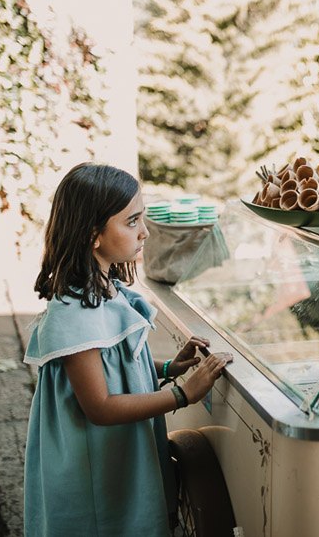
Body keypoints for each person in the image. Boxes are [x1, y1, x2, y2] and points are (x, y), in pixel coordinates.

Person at [23, 163, 232, 537]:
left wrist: (167, 366)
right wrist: (182, 394)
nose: (145, 232)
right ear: (93, 235)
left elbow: (112, 363)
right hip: (92, 461)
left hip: (114, 450)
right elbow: (100, 406)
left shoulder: (104, 286)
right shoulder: (72, 313)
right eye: (132, 221)